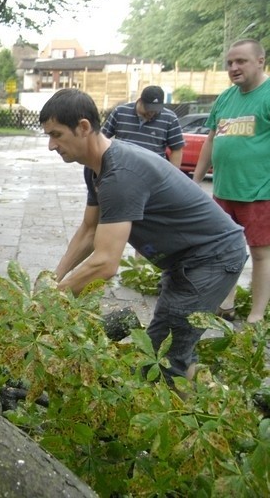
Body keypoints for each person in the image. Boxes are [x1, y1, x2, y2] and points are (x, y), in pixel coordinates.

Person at [39, 88, 246, 383]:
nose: (50, 145)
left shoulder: (120, 176)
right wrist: (54, 278)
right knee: (172, 349)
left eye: (56, 135)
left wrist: (54, 298)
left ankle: (201, 420)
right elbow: (88, 230)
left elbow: (106, 264)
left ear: (83, 127)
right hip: (187, 260)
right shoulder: (95, 169)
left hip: (211, 259)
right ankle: (216, 408)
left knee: (162, 359)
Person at [193, 38, 270, 324]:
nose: (234, 68)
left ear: (260, 61)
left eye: (241, 61)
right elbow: (211, 140)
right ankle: (226, 302)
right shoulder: (226, 98)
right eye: (230, 63)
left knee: (261, 254)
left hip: (259, 192)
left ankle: (256, 316)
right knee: (225, 252)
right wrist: (196, 180)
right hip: (223, 190)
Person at [102, 85, 185, 168]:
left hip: (153, 174)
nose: (151, 113)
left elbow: (176, 149)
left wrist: (171, 177)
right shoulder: (120, 112)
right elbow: (102, 139)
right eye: (148, 109)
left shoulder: (170, 118)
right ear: (140, 101)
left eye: (155, 110)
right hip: (121, 171)